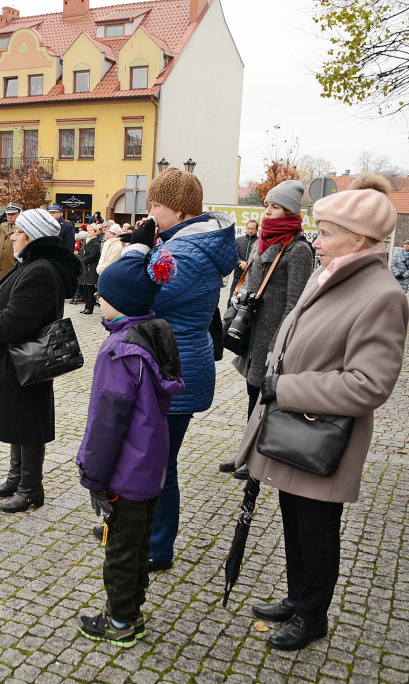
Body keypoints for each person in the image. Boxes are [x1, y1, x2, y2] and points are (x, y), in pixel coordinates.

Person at [234, 173, 409, 650]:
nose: (318, 240)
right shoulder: (327, 273)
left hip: (321, 434)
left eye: (327, 232)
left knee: (317, 530)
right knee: (293, 518)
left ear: (360, 239)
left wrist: (286, 387)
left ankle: (313, 616)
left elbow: (368, 384)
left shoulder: (382, 295)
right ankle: (297, 597)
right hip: (293, 426)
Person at [121, 167, 238, 571]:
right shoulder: (183, 243)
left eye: (155, 205)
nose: (149, 212)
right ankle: (140, 530)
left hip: (173, 370)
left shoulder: (187, 252)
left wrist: (134, 254)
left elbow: (137, 299)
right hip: (171, 363)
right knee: (152, 458)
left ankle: (157, 545)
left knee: (160, 464)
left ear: (178, 209)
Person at [75, 247, 184, 647]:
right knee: (137, 545)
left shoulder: (119, 351)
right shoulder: (156, 334)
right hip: (150, 465)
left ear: (119, 304)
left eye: (103, 295)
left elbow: (107, 425)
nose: (98, 300)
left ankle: (120, 621)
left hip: (124, 470)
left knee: (119, 548)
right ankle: (132, 609)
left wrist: (94, 477)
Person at [0, 208, 81, 513]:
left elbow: (18, 320)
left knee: (28, 422)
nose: (12, 237)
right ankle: (17, 477)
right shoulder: (33, 263)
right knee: (18, 418)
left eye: (17, 232)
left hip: (26, 359)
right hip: (16, 358)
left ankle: (31, 488)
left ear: (30, 237)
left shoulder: (40, 269)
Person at [220, 180, 313, 479]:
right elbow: (249, 283)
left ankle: (257, 459)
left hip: (271, 336)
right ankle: (246, 453)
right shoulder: (265, 240)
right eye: (267, 206)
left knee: (262, 398)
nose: (267, 212)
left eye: (274, 207)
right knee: (252, 393)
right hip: (253, 331)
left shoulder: (298, 249)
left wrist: (278, 342)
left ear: (288, 211)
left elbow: (294, 303)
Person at [77, 222, 103, 314]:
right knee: (85, 289)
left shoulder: (96, 243)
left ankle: (90, 307)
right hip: (84, 268)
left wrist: (82, 261)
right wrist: (79, 260)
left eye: (90, 230)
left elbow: (92, 256)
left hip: (91, 268)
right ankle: (86, 306)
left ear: (96, 232)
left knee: (90, 289)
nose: (88, 232)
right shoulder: (86, 241)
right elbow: (80, 253)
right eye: (88, 230)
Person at [0, 204, 20, 284]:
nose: (10, 216)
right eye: (8, 214)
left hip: (12, 264)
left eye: (12, 214)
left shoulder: (21, 228)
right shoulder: (1, 226)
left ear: (19, 214)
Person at [231, 219, 259, 299]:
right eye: (248, 228)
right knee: (232, 298)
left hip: (252, 277)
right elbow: (233, 255)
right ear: (246, 228)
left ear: (257, 230)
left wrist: (247, 264)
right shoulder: (238, 240)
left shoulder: (260, 242)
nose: (250, 231)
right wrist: (240, 263)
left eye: (252, 229)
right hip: (238, 275)